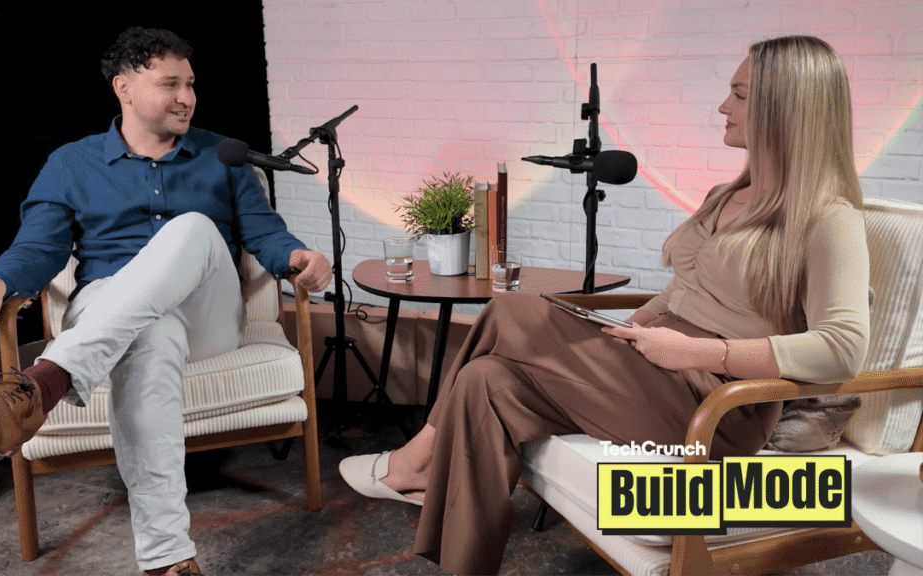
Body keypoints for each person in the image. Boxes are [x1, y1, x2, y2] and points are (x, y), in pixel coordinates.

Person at [339, 35, 870, 576]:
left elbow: (842, 348)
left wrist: (695, 352)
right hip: (655, 369)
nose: (722, 107)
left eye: (739, 95)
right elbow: (680, 291)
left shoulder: (830, 219)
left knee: (514, 309)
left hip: (720, 404)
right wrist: (622, 333)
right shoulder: (723, 196)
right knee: (485, 382)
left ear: (784, 109)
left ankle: (415, 458)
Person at [0, 27, 331, 576]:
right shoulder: (72, 163)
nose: (186, 97)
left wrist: (298, 257)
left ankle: (41, 385)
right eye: (169, 84)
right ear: (123, 88)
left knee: (194, 228)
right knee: (149, 333)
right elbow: (39, 247)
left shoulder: (223, 155)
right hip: (112, 311)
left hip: (208, 315)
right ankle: (168, 560)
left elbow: (265, 233)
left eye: (190, 84)